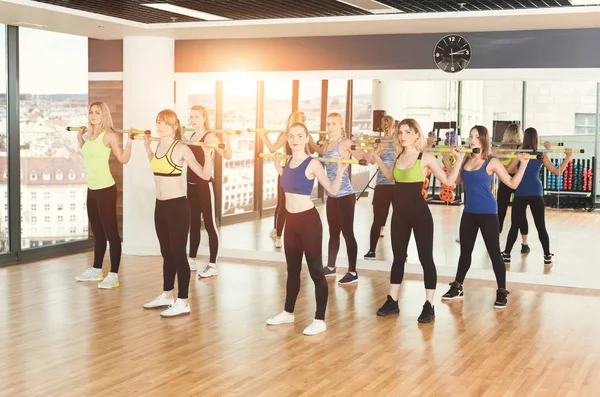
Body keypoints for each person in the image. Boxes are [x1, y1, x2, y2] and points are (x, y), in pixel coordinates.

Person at [372, 118, 464, 323]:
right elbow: (389, 176)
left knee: (425, 259)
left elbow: (448, 182)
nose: (402, 136)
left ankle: (429, 305)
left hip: (420, 216)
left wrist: (458, 161)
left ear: (416, 134)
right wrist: (377, 158)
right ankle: (392, 300)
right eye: (400, 132)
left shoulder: (426, 158)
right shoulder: (398, 156)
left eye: (407, 132)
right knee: (397, 259)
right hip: (399, 216)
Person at [266, 123, 347, 335]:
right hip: (291, 223)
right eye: (291, 136)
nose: (295, 140)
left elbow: (332, 189)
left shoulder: (313, 164)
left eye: (299, 136)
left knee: (315, 272)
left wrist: (339, 172)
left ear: (306, 138)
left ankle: (320, 320)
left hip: (309, 222)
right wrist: (279, 171)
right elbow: (288, 186)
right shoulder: (288, 162)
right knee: (292, 271)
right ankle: (288, 312)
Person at [441, 125, 529, 308]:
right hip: (469, 213)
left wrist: (524, 165)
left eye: (476, 136)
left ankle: (502, 291)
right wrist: (452, 160)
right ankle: (457, 286)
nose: (472, 139)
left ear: (483, 139)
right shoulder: (465, 159)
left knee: (495, 253)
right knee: (465, 251)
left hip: (488, 213)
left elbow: (512, 184)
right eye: (470, 135)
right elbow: (455, 181)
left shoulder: (492, 162)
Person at [141, 109, 212, 317]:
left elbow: (204, 174)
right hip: (160, 207)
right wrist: (146, 147)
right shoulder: (157, 145)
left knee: (178, 254)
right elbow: (156, 164)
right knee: (166, 253)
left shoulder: (181, 148)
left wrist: (207, 155)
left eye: (165, 123)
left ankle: (183, 301)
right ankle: (167, 295)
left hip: (178, 208)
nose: (161, 126)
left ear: (174, 126)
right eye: (158, 122)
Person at [75, 101, 132, 289]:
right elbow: (88, 155)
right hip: (92, 189)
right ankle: (97, 269)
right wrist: (79, 138)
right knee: (97, 233)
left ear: (104, 115)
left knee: (111, 234)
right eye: (91, 112)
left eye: (97, 113)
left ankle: (113, 275)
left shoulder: (109, 136)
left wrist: (130, 141)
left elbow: (123, 158)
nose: (93, 116)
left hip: (106, 190)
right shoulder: (91, 136)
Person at [308, 112, 367, 285]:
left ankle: (353, 271)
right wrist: (308, 139)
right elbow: (318, 155)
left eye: (334, 124)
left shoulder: (346, 142)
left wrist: (363, 154)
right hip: (332, 195)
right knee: (333, 231)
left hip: (345, 195)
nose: (330, 127)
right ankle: (331, 267)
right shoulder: (327, 144)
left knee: (347, 233)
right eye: (328, 124)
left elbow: (363, 157)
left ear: (341, 125)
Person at [501, 127, 572, 266]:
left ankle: (507, 254)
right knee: (541, 226)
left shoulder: (520, 153)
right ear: (536, 139)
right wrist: (567, 157)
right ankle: (547, 255)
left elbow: (507, 170)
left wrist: (495, 162)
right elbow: (557, 171)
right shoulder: (541, 154)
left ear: (525, 139)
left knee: (515, 225)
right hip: (536, 192)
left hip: (521, 192)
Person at [186, 105, 232, 279]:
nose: (193, 120)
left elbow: (227, 155)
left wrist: (227, 139)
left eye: (197, 117)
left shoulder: (209, 136)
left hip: (205, 185)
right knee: (194, 224)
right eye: (191, 117)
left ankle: (213, 264)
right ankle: (191, 260)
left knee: (211, 224)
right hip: (191, 184)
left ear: (204, 118)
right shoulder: (191, 136)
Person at [258, 112, 307, 249]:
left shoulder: (305, 137)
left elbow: (311, 152)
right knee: (282, 204)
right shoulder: (286, 135)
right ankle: (278, 235)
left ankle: (289, 234)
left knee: (297, 205)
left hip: (301, 171)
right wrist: (263, 135)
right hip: (287, 171)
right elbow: (272, 149)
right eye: (296, 121)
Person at [364, 115, 395, 260]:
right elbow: (370, 161)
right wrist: (370, 146)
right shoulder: (382, 142)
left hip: (393, 184)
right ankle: (371, 250)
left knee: (396, 219)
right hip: (386, 184)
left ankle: (373, 251)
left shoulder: (397, 142)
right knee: (379, 219)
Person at [497, 123, 529, 253]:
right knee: (517, 212)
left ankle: (496, 241)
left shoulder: (503, 148)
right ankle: (524, 243)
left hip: (508, 179)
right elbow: (512, 168)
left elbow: (504, 167)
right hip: (513, 179)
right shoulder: (518, 148)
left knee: (502, 211)